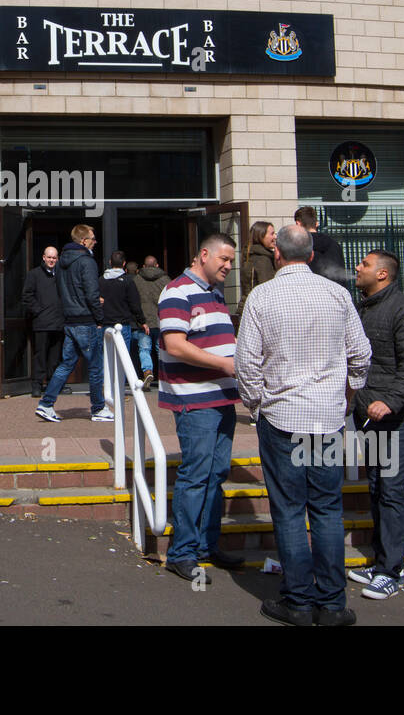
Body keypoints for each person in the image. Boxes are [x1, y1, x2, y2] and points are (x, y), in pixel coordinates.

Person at [236, 224, 370, 626]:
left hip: (281, 418)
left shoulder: (262, 296)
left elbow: (246, 365)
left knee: (290, 511)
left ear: (277, 255)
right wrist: (344, 398)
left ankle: (297, 601)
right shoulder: (337, 295)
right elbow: (360, 356)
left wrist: (258, 405)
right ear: (311, 255)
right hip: (325, 418)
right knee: (327, 509)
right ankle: (331, 604)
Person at [157, 233, 243, 583]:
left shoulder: (214, 293)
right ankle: (182, 553)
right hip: (195, 399)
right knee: (196, 475)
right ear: (203, 255)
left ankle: (207, 546)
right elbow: (175, 345)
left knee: (217, 474)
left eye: (231, 262)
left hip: (222, 398)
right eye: (223, 259)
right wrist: (224, 365)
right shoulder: (176, 292)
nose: (228, 266)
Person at [349, 250, 404, 600]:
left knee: (393, 490)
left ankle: (391, 572)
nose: (357, 267)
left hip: (398, 419)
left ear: (382, 274)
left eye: (364, 265)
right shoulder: (363, 307)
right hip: (369, 417)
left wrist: (390, 402)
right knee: (378, 488)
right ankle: (381, 562)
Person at [37, 224, 110, 423]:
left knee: (66, 364)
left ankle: (46, 404)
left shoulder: (61, 264)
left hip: (69, 320)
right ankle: (98, 408)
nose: (95, 242)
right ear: (84, 241)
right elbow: (91, 292)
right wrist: (99, 318)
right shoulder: (87, 262)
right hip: (86, 321)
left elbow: (63, 291)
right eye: (93, 239)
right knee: (95, 367)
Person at [21, 246, 64, 399]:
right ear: (44, 257)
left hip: (58, 322)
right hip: (42, 323)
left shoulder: (61, 275)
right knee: (40, 355)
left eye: (54, 258)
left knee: (55, 356)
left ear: (57, 259)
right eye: (49, 257)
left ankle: (53, 385)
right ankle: (37, 385)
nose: (52, 260)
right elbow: (27, 296)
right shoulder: (34, 275)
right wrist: (39, 311)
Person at [100, 250, 147, 372]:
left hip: (105, 323)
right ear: (124, 263)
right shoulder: (128, 281)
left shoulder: (101, 281)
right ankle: (119, 387)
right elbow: (134, 304)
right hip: (123, 324)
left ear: (110, 262)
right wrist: (142, 321)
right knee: (123, 357)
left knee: (106, 357)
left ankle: (107, 385)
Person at [134, 255, 169, 390]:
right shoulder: (166, 280)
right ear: (157, 265)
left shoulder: (137, 280)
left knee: (144, 349)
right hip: (161, 320)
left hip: (144, 321)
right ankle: (163, 376)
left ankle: (147, 372)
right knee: (160, 349)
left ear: (143, 266)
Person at [294, 206, 347, 285]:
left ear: (298, 224)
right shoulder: (334, 245)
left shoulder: (296, 247)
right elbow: (341, 277)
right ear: (317, 223)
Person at [241, 220, 277, 304]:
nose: (275, 237)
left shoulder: (250, 255)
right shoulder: (262, 259)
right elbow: (267, 291)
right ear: (261, 236)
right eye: (272, 234)